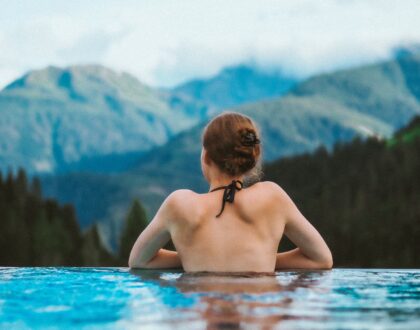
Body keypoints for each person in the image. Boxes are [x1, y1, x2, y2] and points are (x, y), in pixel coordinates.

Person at [128, 112, 333, 272]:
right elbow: (321, 259)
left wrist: (194, 256)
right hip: (259, 318)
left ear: (206, 157)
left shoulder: (180, 204)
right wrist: (263, 259)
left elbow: (138, 261)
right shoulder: (272, 197)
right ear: (253, 156)